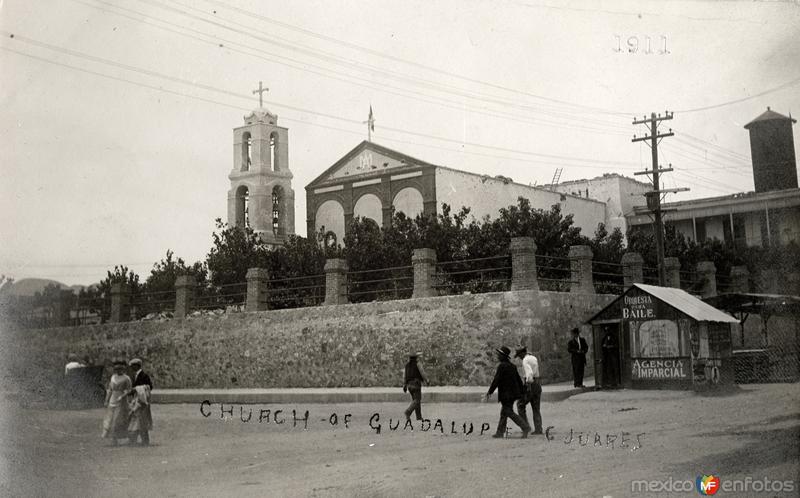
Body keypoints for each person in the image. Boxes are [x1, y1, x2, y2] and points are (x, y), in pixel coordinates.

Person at [486, 346, 531, 439]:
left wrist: (489, 392)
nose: (498, 356)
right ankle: (500, 432)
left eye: (499, 355)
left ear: (503, 356)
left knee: (509, 412)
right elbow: (518, 380)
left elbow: (496, 380)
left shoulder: (502, 366)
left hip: (505, 395)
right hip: (513, 394)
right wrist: (522, 392)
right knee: (504, 412)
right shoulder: (512, 366)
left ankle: (525, 427)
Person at [102, 359, 132, 445]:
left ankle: (122, 437)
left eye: (120, 369)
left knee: (118, 419)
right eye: (117, 369)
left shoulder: (126, 378)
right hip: (113, 399)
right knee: (110, 419)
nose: (119, 371)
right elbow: (110, 390)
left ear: (123, 369)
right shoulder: (113, 377)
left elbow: (129, 390)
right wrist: (106, 400)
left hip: (121, 400)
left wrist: (122, 396)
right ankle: (113, 439)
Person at [514, 346, 543, 435]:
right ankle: (538, 428)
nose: (519, 357)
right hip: (538, 384)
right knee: (536, 408)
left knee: (520, 405)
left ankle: (525, 426)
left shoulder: (525, 360)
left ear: (522, 353)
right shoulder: (534, 358)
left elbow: (529, 374)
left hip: (530, 385)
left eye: (519, 355)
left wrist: (527, 383)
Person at [128, 358, 153, 445]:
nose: (131, 368)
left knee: (141, 420)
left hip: (142, 401)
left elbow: (149, 387)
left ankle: (142, 439)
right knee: (137, 419)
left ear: (137, 366)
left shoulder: (144, 376)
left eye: (133, 366)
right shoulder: (134, 376)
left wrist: (136, 389)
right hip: (137, 400)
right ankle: (135, 439)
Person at [403, 352, 429, 421]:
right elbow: (422, 373)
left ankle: (419, 417)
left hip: (409, 385)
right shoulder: (418, 364)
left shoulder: (407, 365)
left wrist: (404, 385)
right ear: (416, 358)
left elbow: (405, 376)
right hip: (416, 384)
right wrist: (427, 380)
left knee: (416, 400)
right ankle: (408, 412)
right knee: (417, 400)